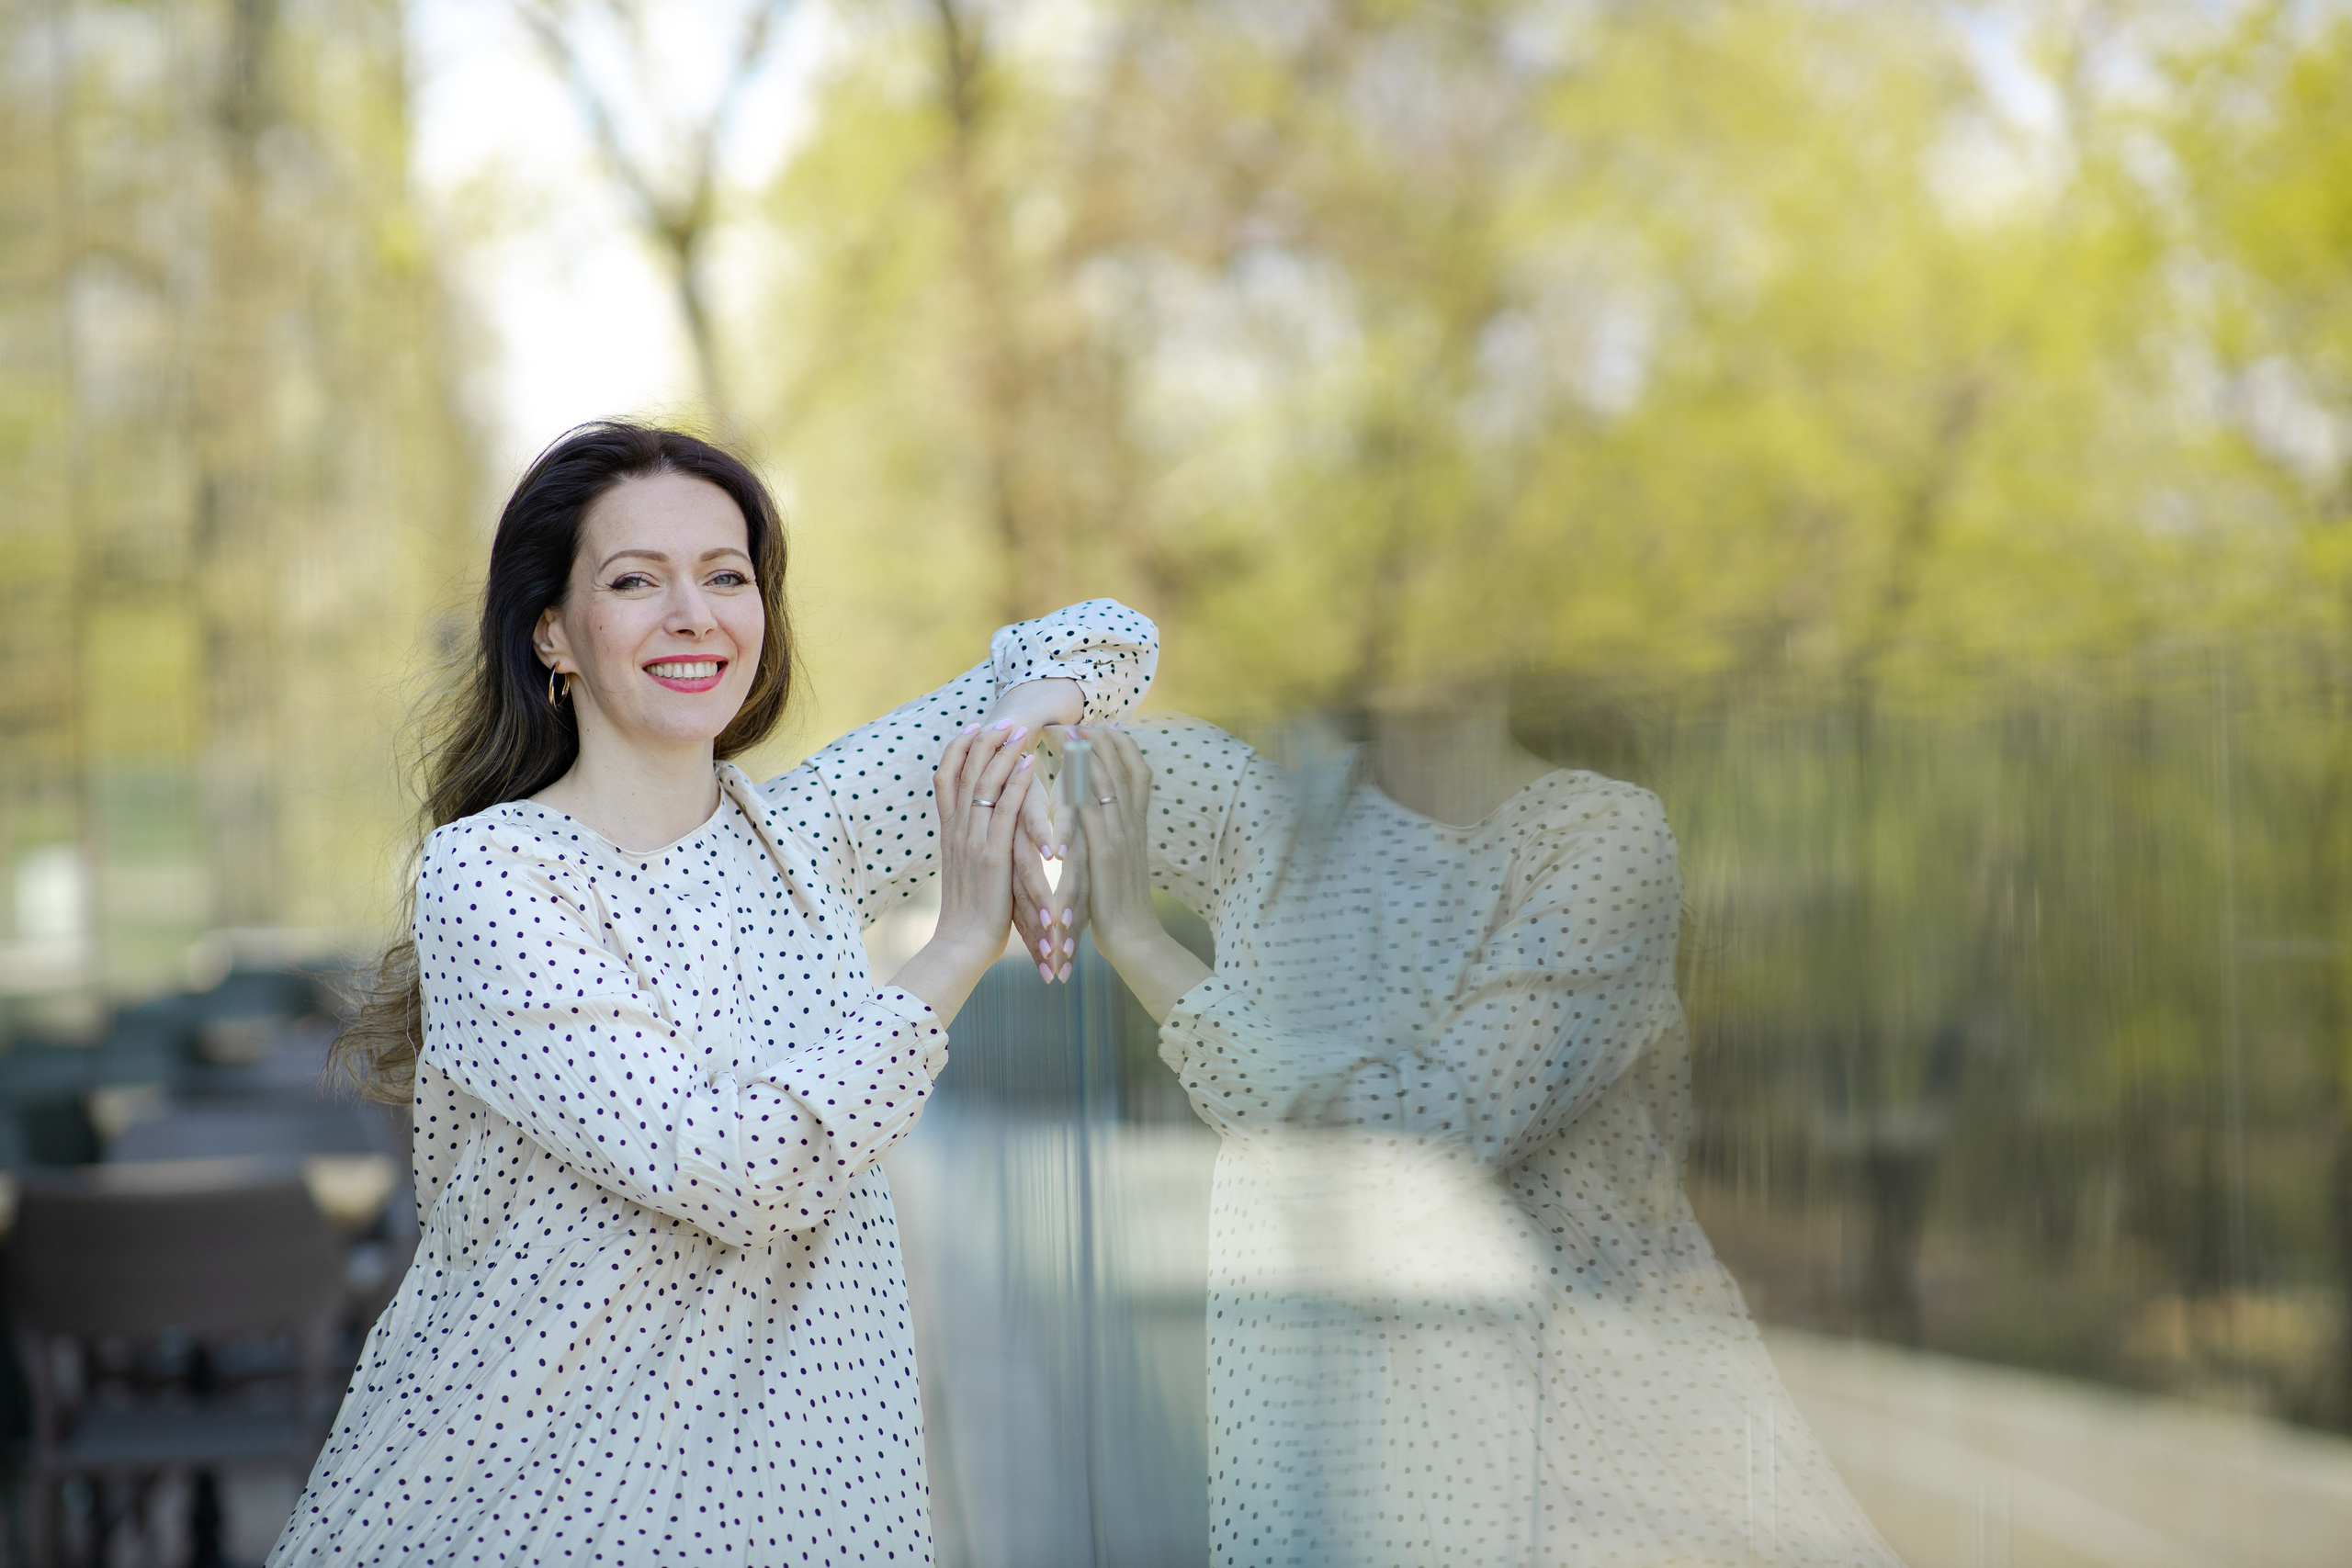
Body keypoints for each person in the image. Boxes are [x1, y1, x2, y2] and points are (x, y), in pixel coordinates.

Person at [275, 421, 1157, 1564]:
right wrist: (954, 951)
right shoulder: (494, 877)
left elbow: (1106, 642)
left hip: (801, 1510)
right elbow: (740, 1170)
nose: (692, 615)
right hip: (543, 1507)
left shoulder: (810, 831)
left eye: (726, 577)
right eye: (636, 581)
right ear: (552, 633)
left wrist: (1001, 754)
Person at [1066, 683, 1902, 1566]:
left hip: (1577, 1429)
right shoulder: (1256, 812)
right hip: (1321, 1421)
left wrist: (1141, 943)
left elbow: (1426, 1129)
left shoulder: (1598, 835)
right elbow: (964, 760)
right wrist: (1055, 685)